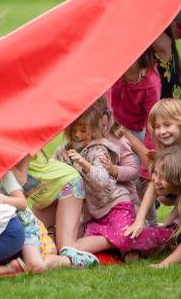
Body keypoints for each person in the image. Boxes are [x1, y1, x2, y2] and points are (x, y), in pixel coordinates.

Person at [0, 7, 86, 252]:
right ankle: (60, 242)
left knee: (40, 186)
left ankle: (62, 242)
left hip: (13, 136)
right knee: (33, 187)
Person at [55, 106, 172, 259]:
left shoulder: (100, 149)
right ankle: (125, 246)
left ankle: (167, 234)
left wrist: (87, 166)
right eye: (72, 130)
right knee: (95, 243)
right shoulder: (62, 152)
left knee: (124, 236)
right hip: (94, 215)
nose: (77, 135)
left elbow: (103, 181)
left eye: (83, 130)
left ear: (95, 129)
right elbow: (55, 173)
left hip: (117, 205)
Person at [0, 161, 98, 272]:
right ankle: (51, 239)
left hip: (66, 184)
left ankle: (75, 259)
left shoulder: (9, 166)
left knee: (65, 247)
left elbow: (21, 187)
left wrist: (3, 197)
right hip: (44, 194)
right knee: (46, 249)